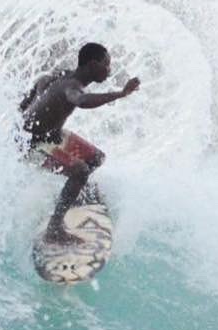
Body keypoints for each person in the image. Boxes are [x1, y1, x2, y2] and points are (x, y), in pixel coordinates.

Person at [19, 42, 140, 244]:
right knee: (81, 171)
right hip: (30, 146)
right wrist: (121, 94)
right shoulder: (71, 87)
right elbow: (81, 101)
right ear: (93, 64)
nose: (109, 70)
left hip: (48, 136)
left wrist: (27, 111)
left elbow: (41, 82)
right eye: (106, 65)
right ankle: (54, 230)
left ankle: (75, 192)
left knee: (96, 158)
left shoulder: (64, 75)